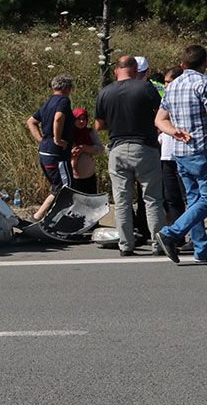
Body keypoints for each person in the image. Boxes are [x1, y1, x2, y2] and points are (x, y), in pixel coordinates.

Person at [94, 55, 165, 256]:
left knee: (122, 201)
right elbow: (161, 114)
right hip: (145, 147)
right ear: (135, 70)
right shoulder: (146, 88)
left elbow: (99, 125)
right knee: (152, 199)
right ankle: (158, 244)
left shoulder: (105, 92)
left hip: (117, 148)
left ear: (116, 70)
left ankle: (126, 245)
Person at [154, 45, 207, 264]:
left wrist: (173, 131)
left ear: (183, 64)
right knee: (204, 199)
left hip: (180, 151)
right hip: (202, 149)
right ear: (205, 63)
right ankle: (171, 233)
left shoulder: (173, 86)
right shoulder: (203, 84)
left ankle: (201, 250)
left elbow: (159, 119)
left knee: (194, 199)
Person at [26, 74, 75, 221]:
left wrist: (41, 140)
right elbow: (58, 117)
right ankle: (45, 217)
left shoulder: (48, 102)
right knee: (65, 187)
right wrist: (57, 139)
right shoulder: (63, 101)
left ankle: (43, 216)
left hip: (45, 152)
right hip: (57, 154)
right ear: (68, 88)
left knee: (59, 187)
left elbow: (31, 121)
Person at [160, 66, 187, 224]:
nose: (166, 86)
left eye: (169, 82)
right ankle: (178, 232)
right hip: (166, 154)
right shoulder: (165, 99)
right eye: (165, 82)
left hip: (183, 153)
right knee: (171, 197)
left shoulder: (184, 99)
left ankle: (194, 232)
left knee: (189, 196)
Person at [70, 107, 104, 194]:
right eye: (78, 119)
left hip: (90, 177)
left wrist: (85, 148)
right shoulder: (68, 134)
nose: (81, 121)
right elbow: (60, 152)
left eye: (83, 119)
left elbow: (100, 149)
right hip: (73, 178)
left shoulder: (90, 132)